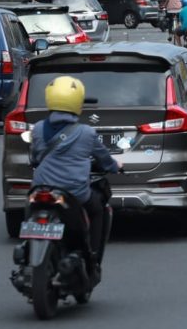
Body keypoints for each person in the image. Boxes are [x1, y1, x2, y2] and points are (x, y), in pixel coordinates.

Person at [30, 76, 122, 276]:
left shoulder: (38, 129)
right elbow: (105, 159)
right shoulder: (86, 132)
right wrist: (115, 166)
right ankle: (93, 258)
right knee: (98, 208)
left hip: (40, 190)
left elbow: (35, 157)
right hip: (74, 193)